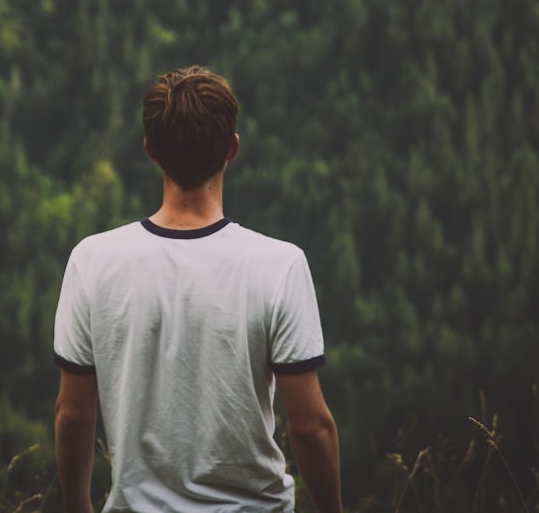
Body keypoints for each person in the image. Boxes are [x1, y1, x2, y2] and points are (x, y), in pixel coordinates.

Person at [53, 66, 342, 513]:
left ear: (150, 150)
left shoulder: (92, 261)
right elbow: (310, 428)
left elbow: (71, 415)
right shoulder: (280, 266)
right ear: (232, 148)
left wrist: (78, 508)